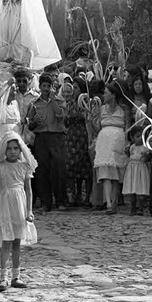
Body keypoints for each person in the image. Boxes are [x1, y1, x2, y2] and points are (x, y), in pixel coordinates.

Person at [0, 131, 37, 292]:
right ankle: (3, 277)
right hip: (4, 204)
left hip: (19, 205)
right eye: (9, 148)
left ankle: (16, 275)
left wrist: (29, 210)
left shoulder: (24, 166)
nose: (13, 151)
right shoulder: (0, 167)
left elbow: (28, 190)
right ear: (4, 150)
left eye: (16, 148)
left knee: (17, 242)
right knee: (5, 242)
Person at [26, 73, 67, 212]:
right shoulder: (35, 103)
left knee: (58, 168)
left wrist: (53, 100)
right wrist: (34, 122)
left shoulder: (60, 101)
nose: (46, 89)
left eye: (48, 86)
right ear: (40, 86)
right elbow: (29, 124)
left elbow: (61, 116)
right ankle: (45, 202)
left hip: (57, 136)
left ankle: (60, 200)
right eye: (44, 86)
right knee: (42, 169)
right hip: (42, 137)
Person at [93, 80, 128, 215]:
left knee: (115, 173)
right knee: (105, 173)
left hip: (117, 139)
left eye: (106, 93)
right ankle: (108, 202)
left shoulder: (123, 109)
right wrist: (93, 121)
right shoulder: (101, 109)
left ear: (113, 95)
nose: (104, 96)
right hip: (104, 141)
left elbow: (127, 125)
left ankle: (114, 202)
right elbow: (98, 127)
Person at [65, 77, 92, 207]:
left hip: (83, 134)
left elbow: (88, 118)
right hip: (71, 135)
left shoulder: (86, 102)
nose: (73, 90)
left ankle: (86, 196)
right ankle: (74, 195)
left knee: (84, 166)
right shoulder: (69, 102)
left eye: (76, 88)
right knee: (70, 164)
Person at [122, 126, 150, 215]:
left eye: (142, 136)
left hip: (141, 170)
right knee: (132, 187)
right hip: (132, 170)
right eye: (138, 136)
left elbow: (148, 158)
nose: (140, 139)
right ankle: (132, 207)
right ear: (132, 137)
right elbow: (129, 156)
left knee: (140, 188)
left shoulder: (145, 147)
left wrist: (146, 157)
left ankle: (141, 207)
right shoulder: (131, 147)